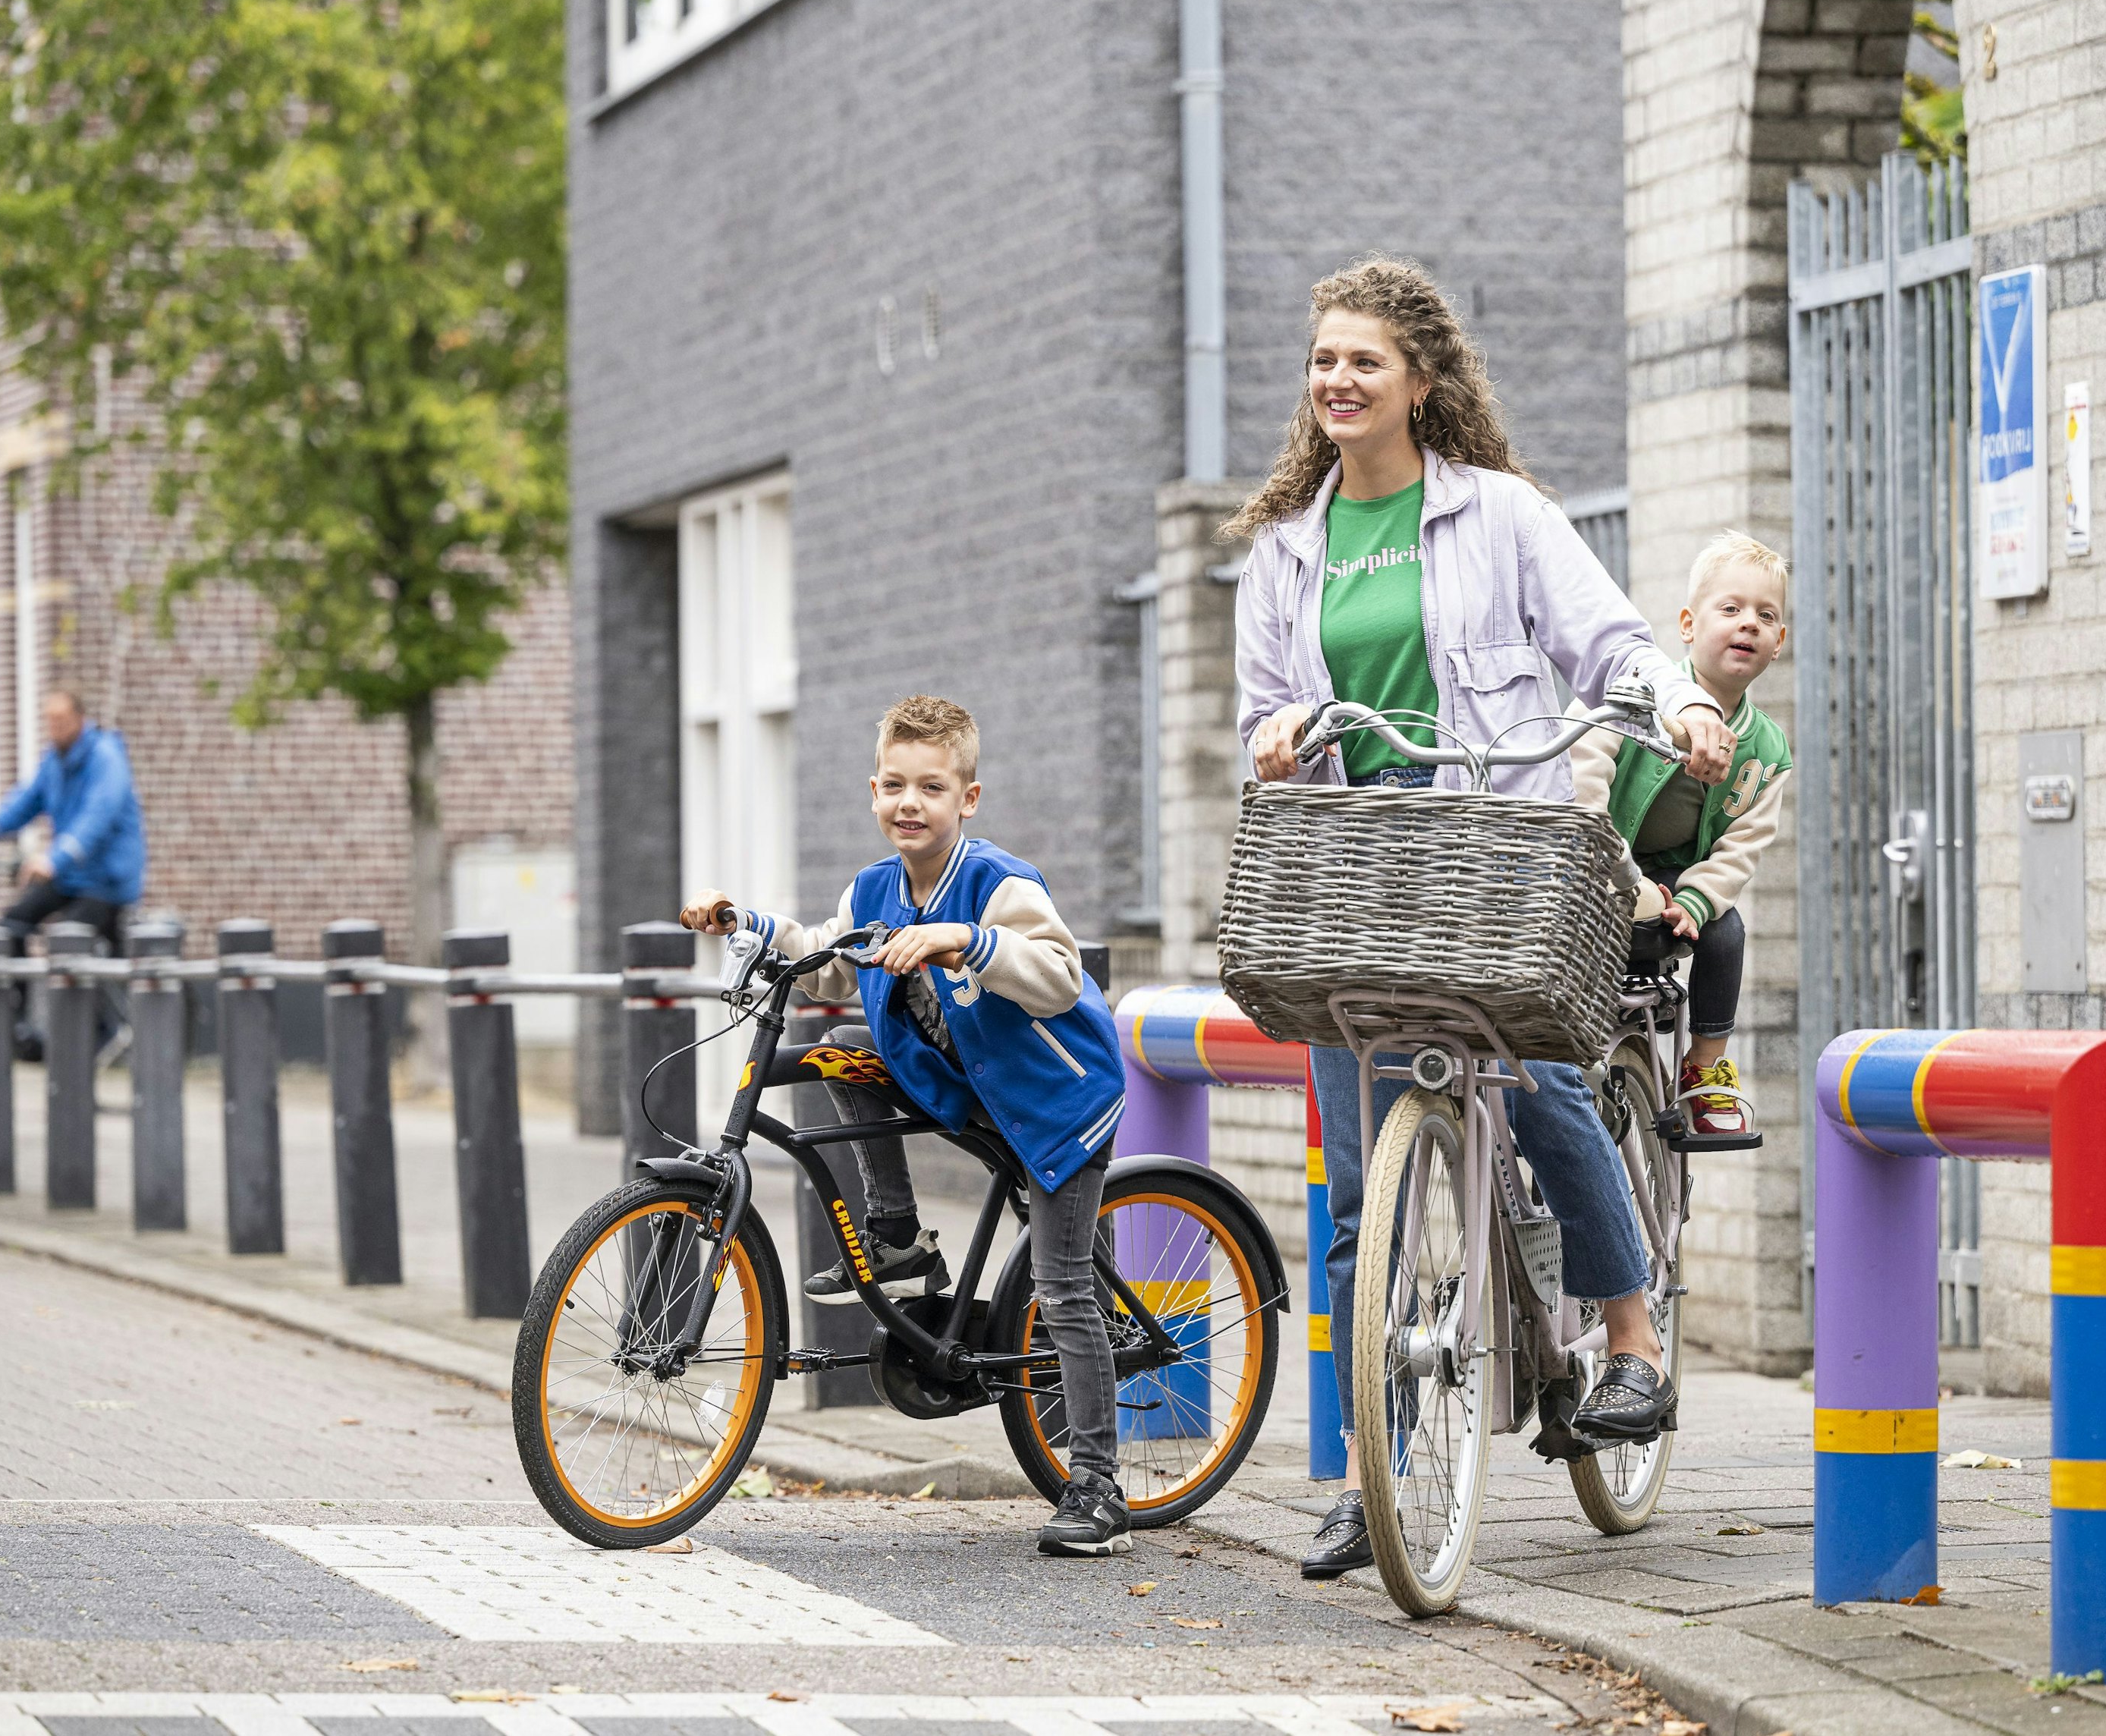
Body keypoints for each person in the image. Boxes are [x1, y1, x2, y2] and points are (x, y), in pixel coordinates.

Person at [1229, 255, 1735, 1580]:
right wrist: (1276, 732)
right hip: (1351, 859)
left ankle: (1629, 1342)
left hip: (1490, 845)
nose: (1338, 380)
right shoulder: (1285, 547)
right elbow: (1260, 709)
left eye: (1364, 361)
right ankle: (1372, 1473)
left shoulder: (1500, 514)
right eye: (1323, 360)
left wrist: (1680, 702)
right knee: (1357, 1190)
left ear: (1421, 381)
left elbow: (1610, 644)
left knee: (1546, 1082)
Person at [678, 695, 1137, 1558]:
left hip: (1055, 1103)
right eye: (894, 785)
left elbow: (1057, 975)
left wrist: (966, 940)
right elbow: (825, 957)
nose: (909, 802)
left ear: (968, 798)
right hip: (968, 1088)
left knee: (1062, 1285)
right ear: (873, 790)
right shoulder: (873, 888)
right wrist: (741, 921)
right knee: (844, 1048)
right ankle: (895, 1234)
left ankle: (1096, 1483)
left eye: (931, 786)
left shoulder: (999, 882)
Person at [1571, 533, 1794, 1140]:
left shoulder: (1767, 752)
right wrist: (1612, 867)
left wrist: (1695, 901)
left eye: (1765, 616)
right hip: (1601, 864)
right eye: (1731, 608)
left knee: (1727, 931)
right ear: (1689, 625)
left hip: (1676, 882)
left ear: (1779, 642)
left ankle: (1704, 1065)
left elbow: (1741, 847)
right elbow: (1583, 766)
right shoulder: (1638, 695)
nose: (1748, 623)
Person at [0, 686, 147, 956]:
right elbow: (23, 805)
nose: (55, 728)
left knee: (69, 940)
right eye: (50, 721)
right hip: (69, 878)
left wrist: (54, 859)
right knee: (11, 926)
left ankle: (81, 983)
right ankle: (17, 985)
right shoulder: (54, 762)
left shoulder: (106, 758)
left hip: (106, 883)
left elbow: (96, 818)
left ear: (80, 718)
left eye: (61, 720)